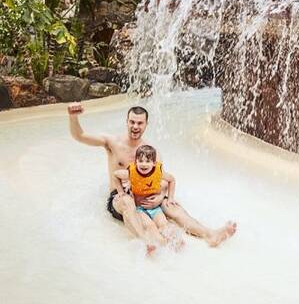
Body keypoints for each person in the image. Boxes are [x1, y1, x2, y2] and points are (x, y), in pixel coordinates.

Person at [67, 102, 236, 248]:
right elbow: (79, 136)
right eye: (132, 122)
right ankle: (147, 240)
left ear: (146, 124)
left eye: (140, 123)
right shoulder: (112, 142)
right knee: (127, 202)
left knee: (172, 206)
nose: (135, 126)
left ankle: (210, 234)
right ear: (126, 122)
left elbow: (161, 180)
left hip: (148, 195)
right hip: (121, 197)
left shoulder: (151, 152)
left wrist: (162, 195)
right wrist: (73, 116)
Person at [114, 144, 183, 251]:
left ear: (154, 163)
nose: (143, 164)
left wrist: (170, 198)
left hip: (155, 208)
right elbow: (116, 175)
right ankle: (159, 245)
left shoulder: (158, 173)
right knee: (150, 226)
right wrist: (120, 192)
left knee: (163, 224)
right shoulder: (131, 173)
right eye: (140, 161)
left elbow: (172, 179)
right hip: (139, 209)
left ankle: (175, 242)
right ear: (135, 162)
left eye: (147, 161)